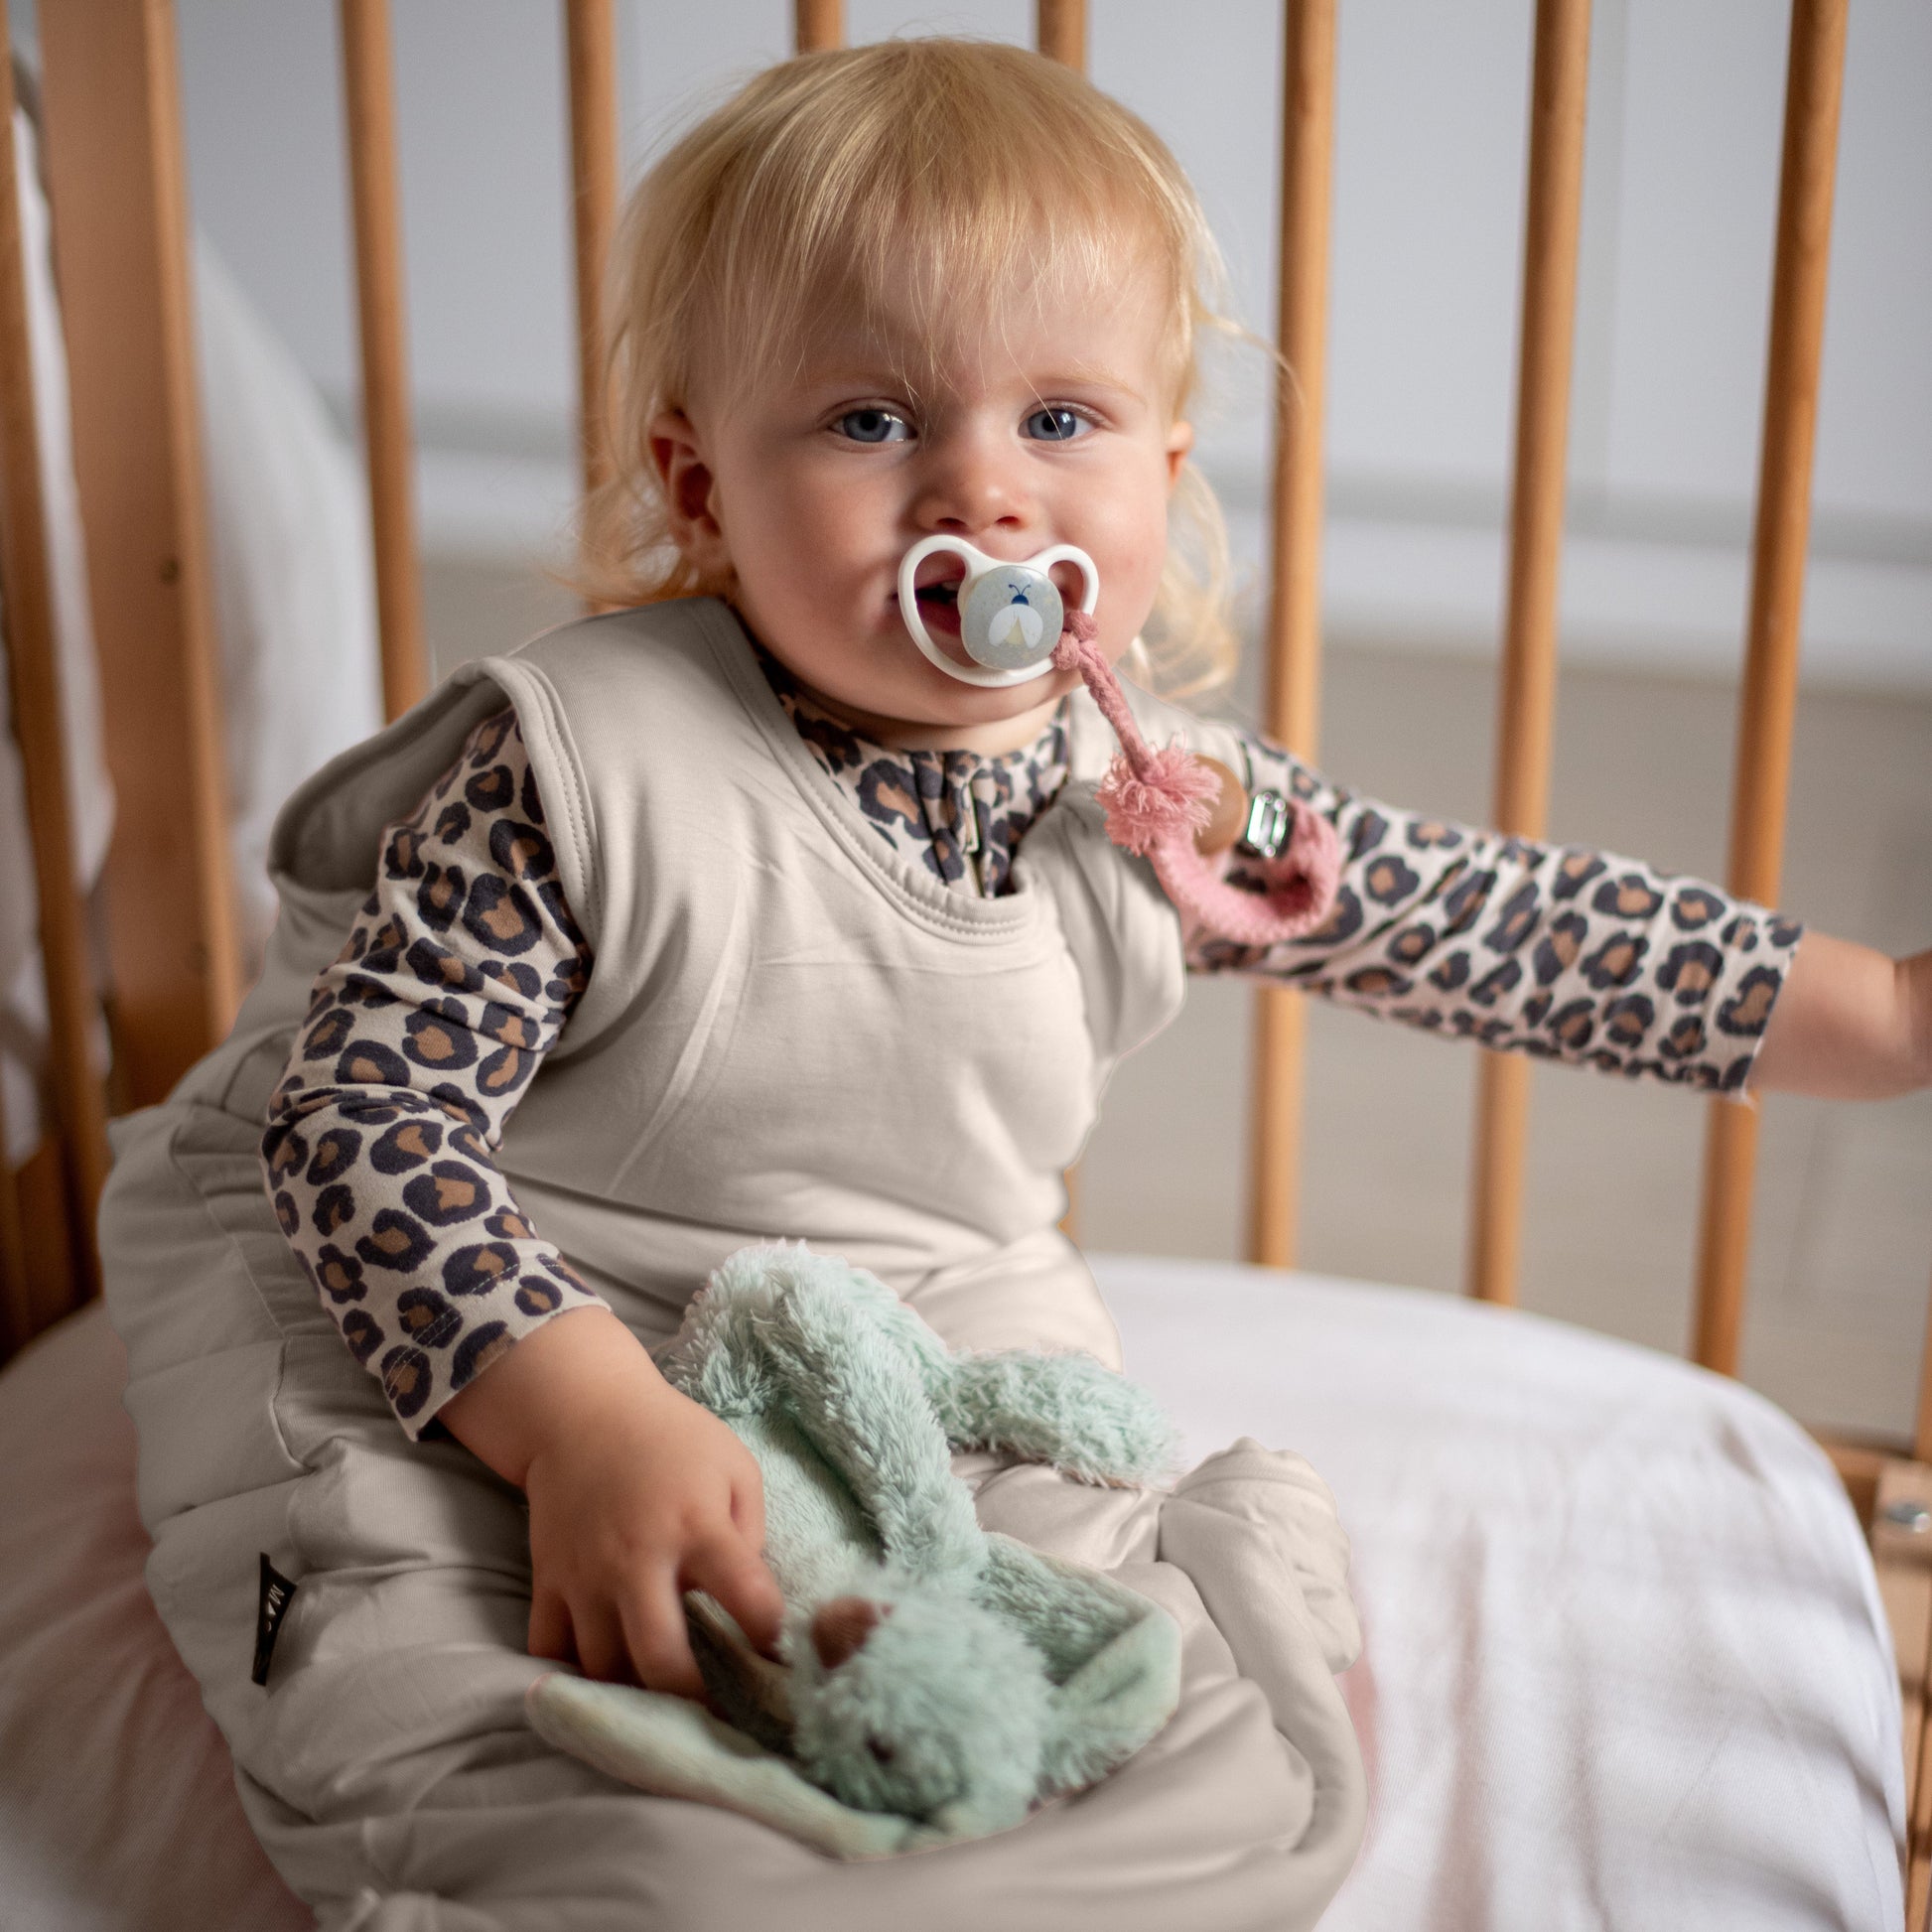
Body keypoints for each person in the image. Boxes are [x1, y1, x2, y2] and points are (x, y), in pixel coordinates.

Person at [104, 37, 1927, 1931]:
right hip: (444, 1264)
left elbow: (1506, 927)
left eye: (1059, 417)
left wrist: (1882, 1013)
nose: (979, 488)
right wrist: (578, 1420)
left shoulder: (1156, 803)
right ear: (701, 482)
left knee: (1126, 1678)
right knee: (456, 1671)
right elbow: (361, 1123)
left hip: (898, 1284)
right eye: (869, 420)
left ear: (1160, 469)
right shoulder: (579, 767)